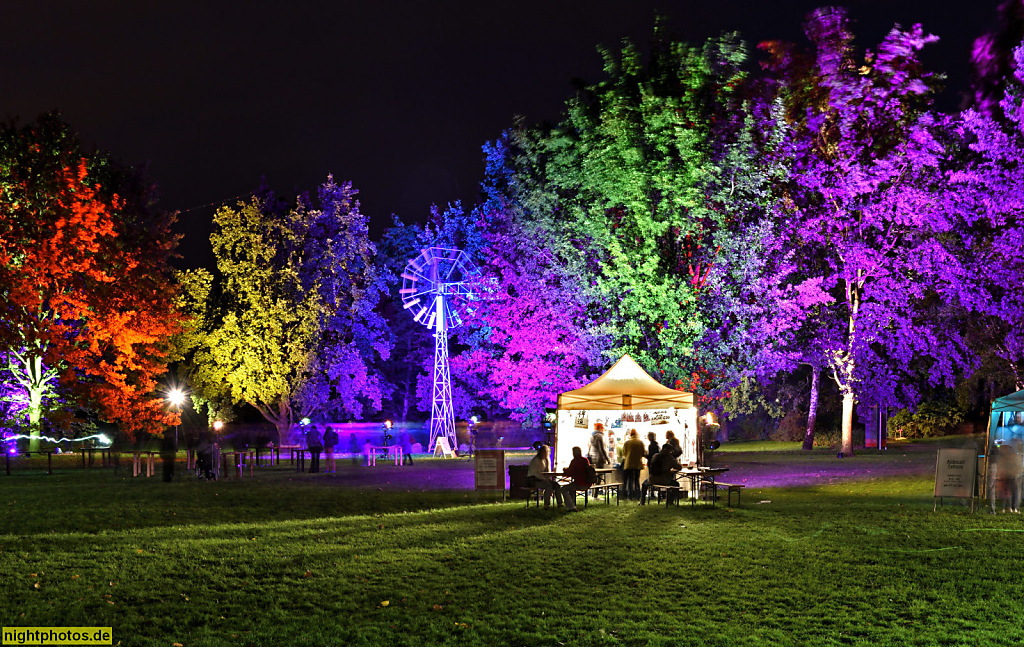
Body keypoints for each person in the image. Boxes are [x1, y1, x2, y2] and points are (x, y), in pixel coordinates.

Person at [526, 444, 562, 508]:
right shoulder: (536, 461)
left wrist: (548, 462)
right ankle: (546, 504)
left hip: (543, 479)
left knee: (556, 485)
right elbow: (535, 474)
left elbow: (548, 472)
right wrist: (545, 479)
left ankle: (560, 503)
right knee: (548, 486)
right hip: (534, 480)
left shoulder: (546, 460)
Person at [560, 446, 594, 512]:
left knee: (563, 489)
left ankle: (571, 506)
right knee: (571, 488)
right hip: (588, 483)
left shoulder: (574, 461)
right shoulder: (585, 460)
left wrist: (565, 470)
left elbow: (569, 472)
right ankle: (571, 505)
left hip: (579, 483)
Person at [997, 439, 1023, 513]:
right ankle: (1012, 507)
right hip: (1012, 476)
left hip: (1010, 476)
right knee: (1013, 492)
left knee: (1008, 492)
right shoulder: (1014, 456)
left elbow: (1001, 465)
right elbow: (1018, 466)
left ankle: (1008, 507)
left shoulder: (1006, 457)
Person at [621, 429, 646, 500]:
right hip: (637, 463)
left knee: (630, 480)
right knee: (636, 480)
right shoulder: (640, 442)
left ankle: (629, 496)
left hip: (628, 464)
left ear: (630, 435)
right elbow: (643, 453)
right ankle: (638, 495)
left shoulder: (627, 443)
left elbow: (624, 453)